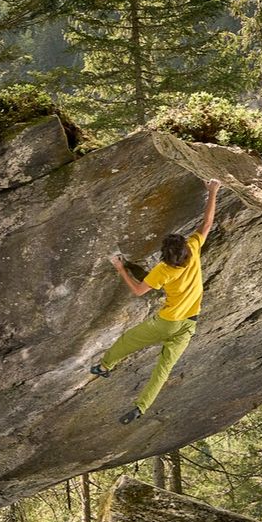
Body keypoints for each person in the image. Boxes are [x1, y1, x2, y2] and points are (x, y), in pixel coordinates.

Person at [89, 177, 222, 424]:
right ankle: (141, 407)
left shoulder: (163, 270)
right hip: (189, 324)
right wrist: (213, 190)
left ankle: (105, 367)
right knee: (164, 368)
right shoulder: (192, 249)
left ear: (165, 255)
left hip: (168, 321)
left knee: (128, 340)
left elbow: (139, 290)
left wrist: (120, 268)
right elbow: (207, 223)